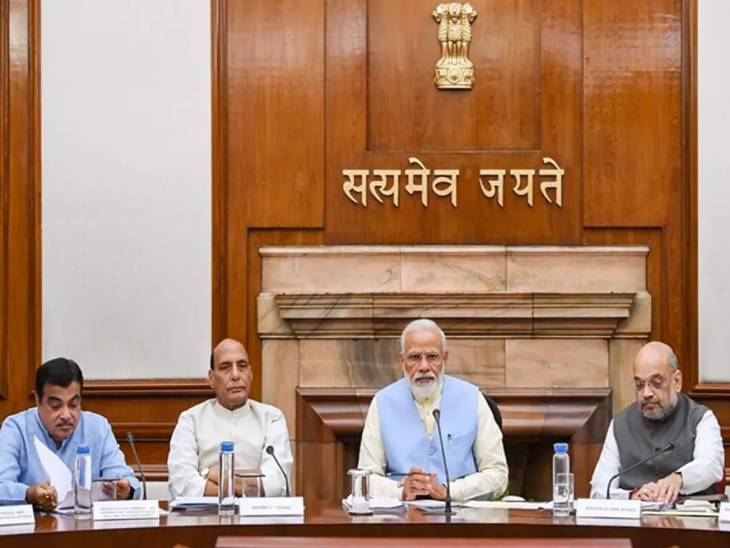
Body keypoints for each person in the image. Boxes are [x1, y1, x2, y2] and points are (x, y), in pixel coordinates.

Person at [358, 319, 508, 501]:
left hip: (461, 513)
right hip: (401, 514)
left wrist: (450, 491)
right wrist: (400, 491)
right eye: (414, 357)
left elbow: (498, 474)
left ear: (444, 358)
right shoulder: (382, 402)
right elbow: (365, 478)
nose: (424, 367)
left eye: (432, 356)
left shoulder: (473, 398)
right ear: (402, 360)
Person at [590, 341, 724, 502]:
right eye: (639, 385)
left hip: (689, 515)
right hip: (638, 517)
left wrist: (679, 478)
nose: (646, 393)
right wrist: (631, 496)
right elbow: (599, 489)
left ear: (676, 381)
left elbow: (711, 466)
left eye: (656, 383)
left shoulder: (701, 418)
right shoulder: (620, 425)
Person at [0, 358, 141, 510]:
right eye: (56, 406)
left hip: (86, 523)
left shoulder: (97, 428)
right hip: (36, 524)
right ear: (37, 400)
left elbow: (125, 478)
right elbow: (2, 485)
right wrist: (29, 494)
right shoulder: (16, 428)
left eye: (73, 405)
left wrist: (126, 490)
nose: (66, 415)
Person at [167, 338, 293, 499]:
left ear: (251, 374)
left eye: (242, 366)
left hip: (257, 514)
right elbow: (182, 484)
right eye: (225, 368)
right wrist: (247, 487)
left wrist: (210, 474)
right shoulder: (190, 420)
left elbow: (276, 483)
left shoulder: (271, 418)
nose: (235, 375)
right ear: (211, 378)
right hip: (205, 513)